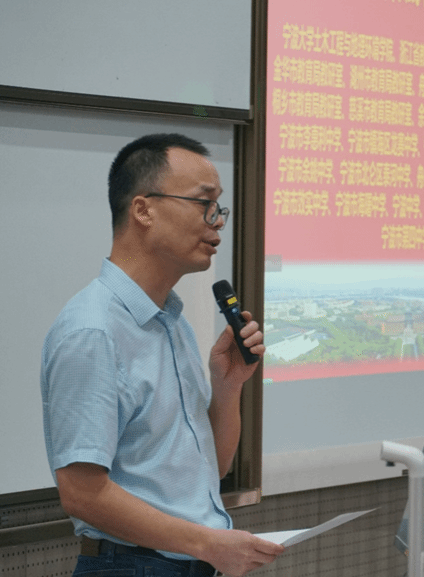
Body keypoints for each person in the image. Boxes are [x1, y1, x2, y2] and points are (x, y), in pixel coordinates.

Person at [40, 133, 284, 577]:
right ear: (143, 210)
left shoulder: (171, 321)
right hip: (132, 566)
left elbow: (213, 468)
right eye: (203, 203)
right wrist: (209, 543)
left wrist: (228, 387)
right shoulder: (92, 330)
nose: (217, 221)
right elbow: (81, 493)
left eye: (219, 207)